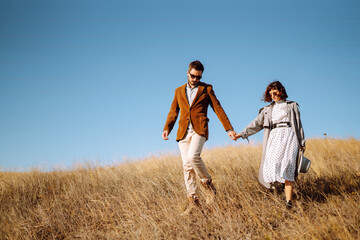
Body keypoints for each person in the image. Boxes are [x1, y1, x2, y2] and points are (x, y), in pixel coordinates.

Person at [162, 60, 236, 215]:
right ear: (187, 73)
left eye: (199, 77)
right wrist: (167, 128)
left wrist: (228, 129)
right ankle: (193, 202)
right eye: (193, 76)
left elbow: (218, 108)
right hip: (183, 132)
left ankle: (208, 186)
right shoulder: (178, 91)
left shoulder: (206, 89)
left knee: (193, 157)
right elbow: (173, 111)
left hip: (199, 129)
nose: (196, 79)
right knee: (187, 166)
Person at [235, 81, 305, 209]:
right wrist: (241, 134)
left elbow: (298, 125)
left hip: (290, 136)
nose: (272, 96)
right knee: (273, 165)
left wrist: (302, 142)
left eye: (274, 93)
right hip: (274, 137)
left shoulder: (292, 106)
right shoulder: (267, 110)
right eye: (270, 94)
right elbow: (256, 123)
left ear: (281, 91)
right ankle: (276, 192)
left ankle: (288, 201)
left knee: (289, 166)